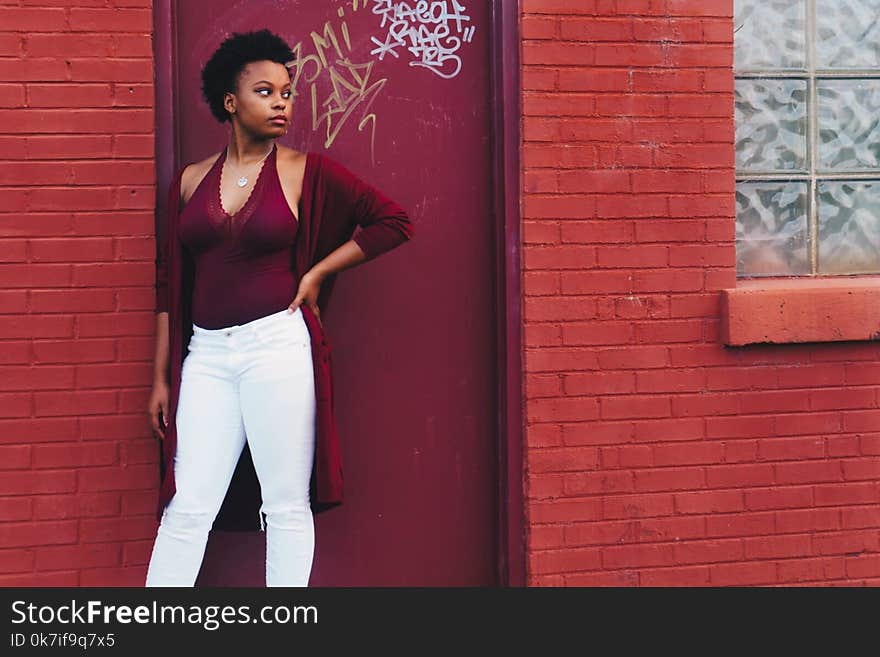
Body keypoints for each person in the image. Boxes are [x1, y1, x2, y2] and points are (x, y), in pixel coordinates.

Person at [144, 29, 414, 587]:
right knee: (188, 505)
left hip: (277, 348)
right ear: (230, 100)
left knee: (285, 503)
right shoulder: (191, 181)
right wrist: (161, 379)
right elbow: (169, 282)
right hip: (207, 356)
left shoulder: (302, 171)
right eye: (265, 92)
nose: (282, 103)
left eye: (287, 93)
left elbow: (393, 221)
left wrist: (317, 271)